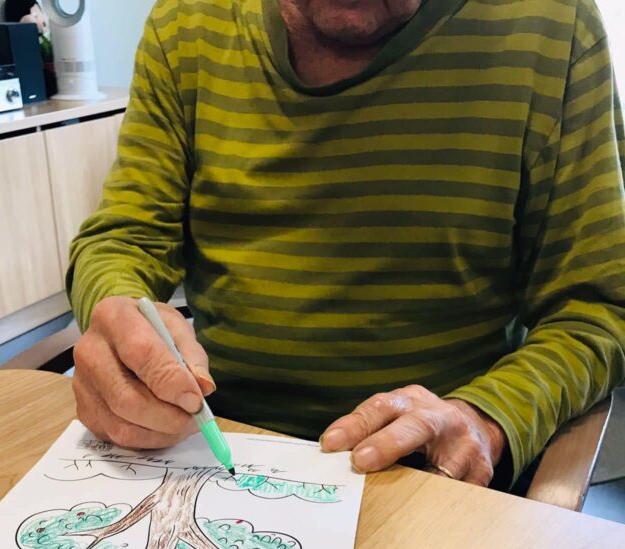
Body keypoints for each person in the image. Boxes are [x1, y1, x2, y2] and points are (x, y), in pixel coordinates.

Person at [68, 0, 625, 487]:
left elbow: (596, 309)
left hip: (433, 477)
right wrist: (119, 315)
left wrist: (485, 417)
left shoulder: (553, 28)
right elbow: (124, 238)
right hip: (215, 447)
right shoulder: (185, 25)